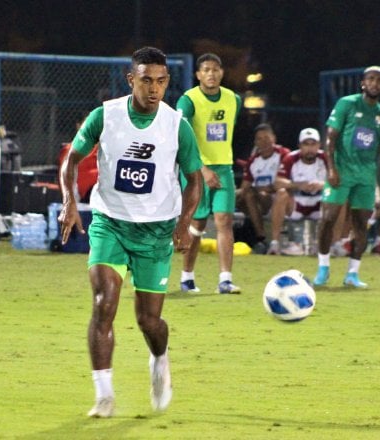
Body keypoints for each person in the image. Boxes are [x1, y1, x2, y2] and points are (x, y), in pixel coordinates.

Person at [58, 47, 203, 418]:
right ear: (130, 80)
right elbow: (71, 160)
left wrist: (184, 222)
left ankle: (159, 360)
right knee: (103, 303)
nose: (153, 89)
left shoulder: (175, 125)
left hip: (156, 231)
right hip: (110, 223)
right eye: (145, 80)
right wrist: (70, 202)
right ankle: (104, 395)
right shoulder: (105, 116)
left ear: (167, 82)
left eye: (160, 81)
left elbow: (194, 178)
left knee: (148, 321)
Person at [313, 65, 380, 288]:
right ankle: (323, 268)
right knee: (328, 218)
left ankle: (352, 274)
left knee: (361, 224)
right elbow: (330, 138)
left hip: (366, 175)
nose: (374, 84)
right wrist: (331, 168)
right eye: (370, 79)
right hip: (341, 171)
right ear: (363, 83)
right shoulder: (347, 104)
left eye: (379, 81)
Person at [178, 53, 243, 294]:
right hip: (195, 171)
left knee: (224, 221)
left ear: (222, 73)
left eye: (215, 70)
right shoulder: (188, 101)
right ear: (198, 75)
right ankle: (187, 277)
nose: (211, 74)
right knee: (197, 223)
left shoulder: (233, 99)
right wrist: (202, 169)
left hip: (223, 168)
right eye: (206, 70)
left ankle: (225, 280)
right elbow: (181, 138)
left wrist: (215, 166)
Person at [235, 123, 291, 255]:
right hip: (262, 202)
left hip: (284, 201)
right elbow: (245, 188)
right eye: (259, 139)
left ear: (274, 138)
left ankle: (272, 241)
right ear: (255, 142)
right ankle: (261, 239)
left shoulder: (284, 154)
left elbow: (283, 183)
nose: (264, 142)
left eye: (267, 137)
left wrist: (264, 190)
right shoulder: (253, 161)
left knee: (274, 193)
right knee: (246, 195)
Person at [280, 127, 329, 256]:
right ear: (300, 145)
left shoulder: (326, 158)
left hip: (320, 202)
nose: (310, 148)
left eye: (313, 144)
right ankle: (280, 243)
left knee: (338, 198)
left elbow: (339, 180)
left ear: (319, 145)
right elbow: (277, 181)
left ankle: (329, 244)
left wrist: (322, 185)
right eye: (306, 144)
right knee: (281, 194)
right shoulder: (290, 158)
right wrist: (297, 185)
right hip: (297, 201)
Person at [330, 186, 380, 256]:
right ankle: (344, 242)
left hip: (367, 205)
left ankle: (379, 244)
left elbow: (374, 185)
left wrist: (377, 198)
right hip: (348, 201)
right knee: (348, 201)